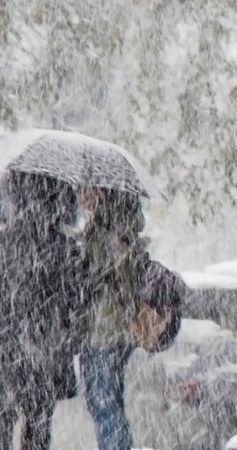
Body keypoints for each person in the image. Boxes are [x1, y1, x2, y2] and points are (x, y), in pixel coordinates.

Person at [0, 172, 91, 450]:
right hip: (45, 345)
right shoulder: (64, 248)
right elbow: (77, 300)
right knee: (39, 421)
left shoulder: (6, 243)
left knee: (4, 416)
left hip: (8, 343)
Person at [77, 187, 149, 450]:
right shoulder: (120, 227)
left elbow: (113, 276)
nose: (80, 194)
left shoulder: (108, 231)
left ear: (103, 192)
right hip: (112, 330)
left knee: (104, 405)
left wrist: (87, 266)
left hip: (105, 330)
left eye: (87, 188)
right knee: (108, 405)